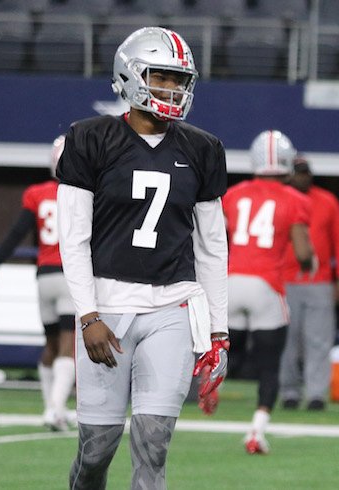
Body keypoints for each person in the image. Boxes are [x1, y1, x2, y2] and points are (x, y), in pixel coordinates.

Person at [56, 27, 229, 489]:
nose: (172, 89)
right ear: (130, 75)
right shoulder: (89, 139)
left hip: (172, 305)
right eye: (161, 76)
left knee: (153, 443)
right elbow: (72, 238)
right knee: (97, 449)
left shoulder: (203, 148)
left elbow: (212, 248)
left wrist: (219, 332)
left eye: (179, 80)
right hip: (106, 306)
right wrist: (87, 314)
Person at [223, 130, 314, 454]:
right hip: (266, 286)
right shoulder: (295, 199)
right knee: (269, 364)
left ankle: (205, 385)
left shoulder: (234, 195)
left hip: (230, 282)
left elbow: (215, 238)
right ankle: (257, 430)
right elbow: (303, 253)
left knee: (222, 351)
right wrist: (309, 263)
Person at [0, 135, 75, 432]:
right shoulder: (83, 194)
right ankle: (56, 409)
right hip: (69, 276)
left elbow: (17, 232)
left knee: (49, 345)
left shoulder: (37, 194)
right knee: (68, 346)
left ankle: (50, 408)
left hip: (44, 277)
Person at [279, 155, 339, 411]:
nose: (303, 177)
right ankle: (289, 391)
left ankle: (317, 393)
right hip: (284, 279)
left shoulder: (327, 201)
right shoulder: (281, 198)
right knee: (287, 339)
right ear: (289, 175)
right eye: (298, 173)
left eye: (306, 172)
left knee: (319, 339)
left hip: (319, 281)